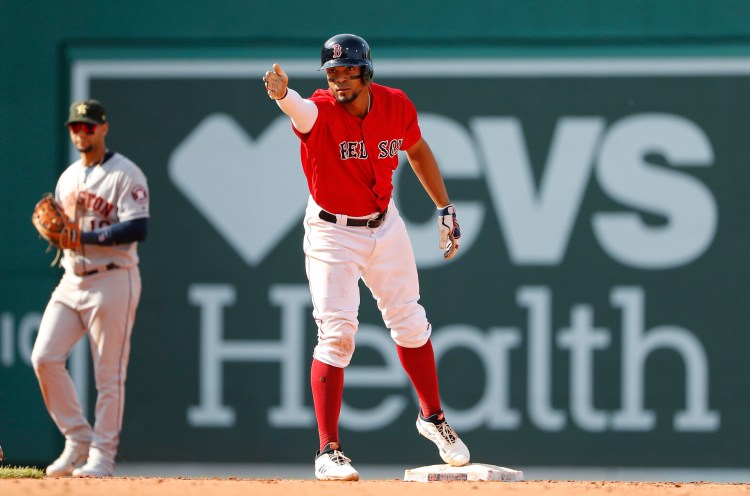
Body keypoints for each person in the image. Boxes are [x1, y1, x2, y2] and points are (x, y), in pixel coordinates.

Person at [263, 34, 470, 481]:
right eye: (332, 71)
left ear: (365, 71)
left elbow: (416, 149)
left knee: (411, 321)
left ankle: (433, 419)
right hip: (332, 233)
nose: (338, 79)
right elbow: (298, 108)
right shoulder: (319, 109)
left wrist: (444, 207)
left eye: (347, 70)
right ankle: (328, 451)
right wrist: (283, 95)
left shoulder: (395, 105)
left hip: (385, 222)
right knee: (337, 334)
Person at [31, 99, 149, 477]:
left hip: (113, 278)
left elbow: (137, 228)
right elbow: (61, 230)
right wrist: (66, 236)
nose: (82, 133)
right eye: (75, 127)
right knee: (44, 357)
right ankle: (78, 436)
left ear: (103, 128)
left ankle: (102, 456)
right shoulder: (68, 177)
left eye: (88, 126)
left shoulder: (126, 174)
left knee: (108, 375)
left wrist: (80, 235)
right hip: (72, 279)